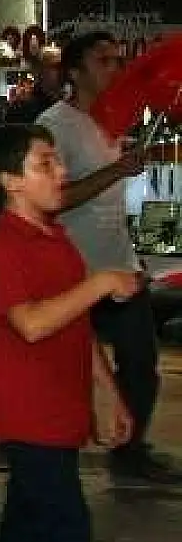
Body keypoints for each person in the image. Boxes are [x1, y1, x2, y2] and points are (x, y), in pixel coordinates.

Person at [0, 123, 137, 542]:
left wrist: (109, 395)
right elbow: (33, 324)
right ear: (10, 181)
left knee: (26, 521)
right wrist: (104, 281)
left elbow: (77, 328)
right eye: (45, 163)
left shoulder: (57, 238)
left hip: (60, 408)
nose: (61, 172)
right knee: (67, 528)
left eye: (57, 161)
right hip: (24, 412)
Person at [36, 32, 180, 486]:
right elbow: (53, 199)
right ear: (75, 72)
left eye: (119, 60)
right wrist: (117, 169)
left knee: (140, 365)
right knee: (68, 371)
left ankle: (130, 450)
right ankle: (51, 455)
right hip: (73, 271)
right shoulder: (54, 125)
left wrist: (138, 159)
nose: (114, 69)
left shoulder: (113, 119)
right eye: (104, 61)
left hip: (119, 264)